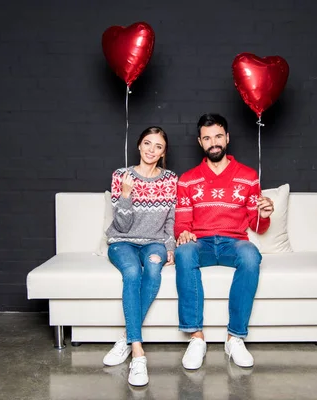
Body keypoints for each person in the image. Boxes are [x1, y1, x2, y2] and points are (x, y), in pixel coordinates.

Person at [174, 113, 275, 370]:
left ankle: (235, 337)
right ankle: (196, 338)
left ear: (227, 138)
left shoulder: (248, 175)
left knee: (251, 255)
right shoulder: (187, 179)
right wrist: (183, 234)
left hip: (234, 242)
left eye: (218, 136)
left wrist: (263, 215)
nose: (214, 142)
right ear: (200, 142)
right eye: (207, 138)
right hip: (202, 243)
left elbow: (256, 225)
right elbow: (182, 223)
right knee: (184, 253)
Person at [103, 126, 178, 387]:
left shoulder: (170, 179)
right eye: (147, 143)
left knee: (154, 268)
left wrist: (170, 247)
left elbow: (171, 218)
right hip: (122, 242)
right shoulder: (121, 176)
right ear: (139, 145)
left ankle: (125, 337)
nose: (151, 150)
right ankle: (137, 351)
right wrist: (125, 194)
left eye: (158, 146)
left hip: (154, 243)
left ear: (163, 152)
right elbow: (122, 227)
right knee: (133, 273)